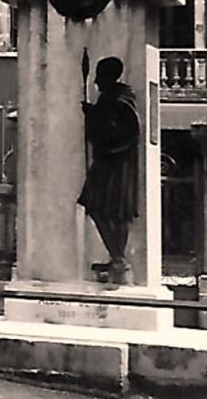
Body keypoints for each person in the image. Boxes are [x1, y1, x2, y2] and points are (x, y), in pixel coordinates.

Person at [78, 57, 140, 284]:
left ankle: (118, 259)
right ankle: (117, 259)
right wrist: (94, 113)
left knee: (103, 208)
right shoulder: (112, 99)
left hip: (114, 165)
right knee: (110, 211)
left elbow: (123, 133)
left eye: (98, 76)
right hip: (112, 162)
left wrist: (93, 117)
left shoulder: (120, 100)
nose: (95, 82)